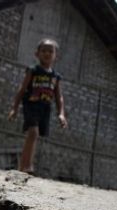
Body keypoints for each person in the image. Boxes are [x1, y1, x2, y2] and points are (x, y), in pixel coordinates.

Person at [8, 38, 68, 174]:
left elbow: (59, 97)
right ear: (37, 54)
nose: (47, 53)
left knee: (34, 135)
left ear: (55, 56)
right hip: (31, 105)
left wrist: (61, 114)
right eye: (44, 51)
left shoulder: (56, 77)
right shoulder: (33, 70)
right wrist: (14, 108)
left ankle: (22, 167)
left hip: (45, 108)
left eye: (50, 51)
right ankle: (27, 167)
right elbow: (22, 89)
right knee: (33, 133)